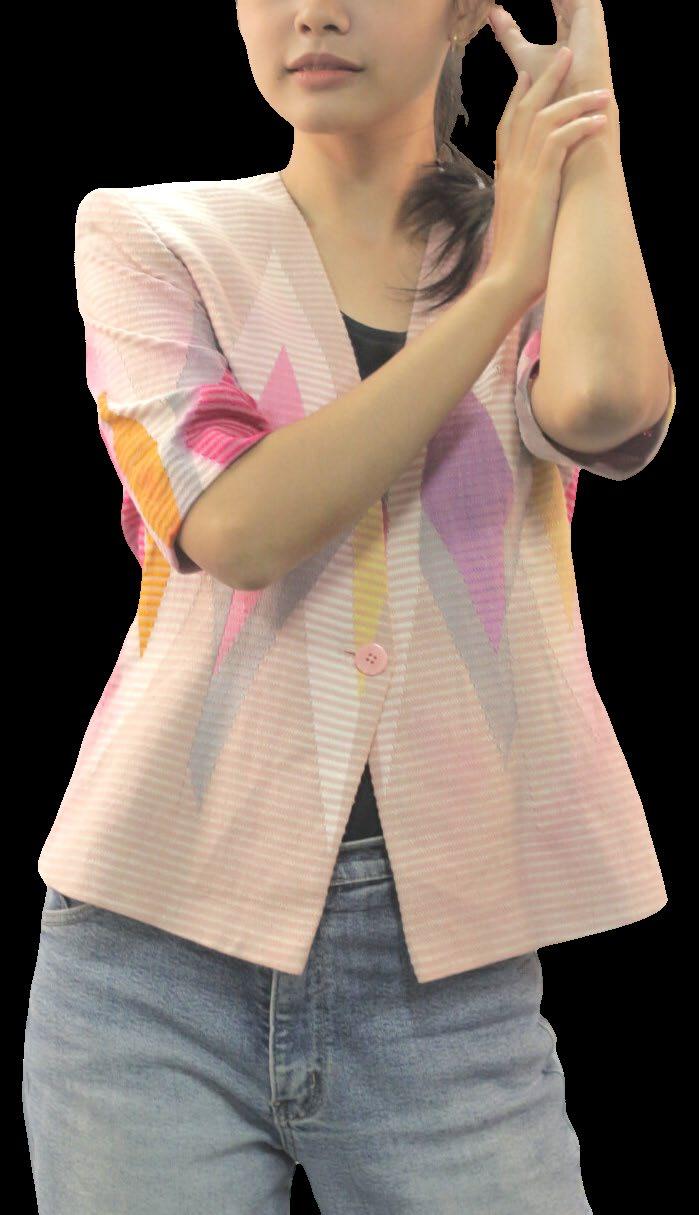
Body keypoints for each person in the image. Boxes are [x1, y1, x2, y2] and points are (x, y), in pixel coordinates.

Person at [23, 3, 674, 1212]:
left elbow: (605, 407)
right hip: (149, 957)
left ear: (465, 10)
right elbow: (239, 528)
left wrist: (589, 131)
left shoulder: (547, 245)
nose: (311, 11)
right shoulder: (149, 236)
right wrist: (500, 290)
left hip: (451, 972)